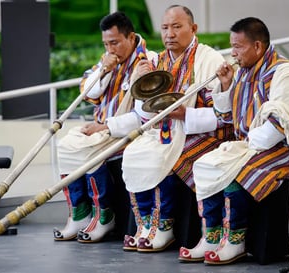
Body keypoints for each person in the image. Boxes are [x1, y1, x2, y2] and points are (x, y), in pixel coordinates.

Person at [180, 17, 289, 265]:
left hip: (281, 148)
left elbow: (285, 123)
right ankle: (212, 236)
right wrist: (226, 85)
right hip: (250, 145)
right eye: (232, 46)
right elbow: (227, 117)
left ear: (258, 47)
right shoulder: (241, 72)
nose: (233, 53)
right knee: (205, 163)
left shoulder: (285, 73)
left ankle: (235, 240)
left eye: (238, 47)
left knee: (235, 170)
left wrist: (248, 147)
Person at [121, 5, 234, 253]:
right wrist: (138, 81)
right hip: (165, 130)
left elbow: (222, 116)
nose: (169, 33)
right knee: (133, 153)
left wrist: (187, 114)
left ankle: (165, 227)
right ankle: (145, 225)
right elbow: (144, 113)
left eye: (176, 26)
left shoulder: (210, 60)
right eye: (164, 28)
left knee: (166, 157)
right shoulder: (156, 61)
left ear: (193, 29)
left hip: (203, 132)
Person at [53, 11, 154, 243]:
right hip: (101, 127)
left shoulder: (147, 62)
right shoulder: (107, 59)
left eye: (115, 43)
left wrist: (105, 126)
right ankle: (78, 214)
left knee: (88, 150)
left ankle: (104, 216)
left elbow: (142, 117)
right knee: (66, 144)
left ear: (130, 38)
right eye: (106, 43)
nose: (110, 49)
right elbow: (89, 92)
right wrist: (103, 70)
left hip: (125, 131)